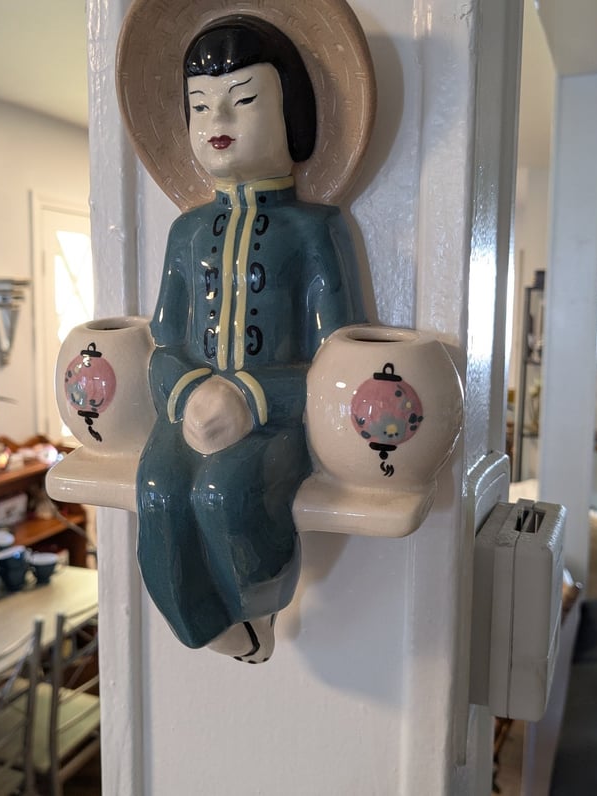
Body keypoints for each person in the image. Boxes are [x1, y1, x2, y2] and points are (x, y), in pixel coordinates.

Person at [116, 4, 376, 663]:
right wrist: (189, 392)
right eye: (200, 107)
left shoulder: (315, 230)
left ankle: (257, 605)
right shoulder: (186, 232)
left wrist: (254, 400)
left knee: (221, 490)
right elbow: (165, 343)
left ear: (292, 112)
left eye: (242, 100)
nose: (217, 123)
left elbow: (335, 356)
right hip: (191, 410)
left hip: (276, 420)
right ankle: (209, 627)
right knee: (156, 490)